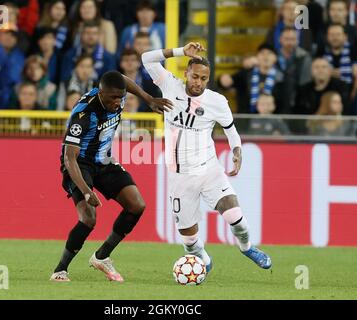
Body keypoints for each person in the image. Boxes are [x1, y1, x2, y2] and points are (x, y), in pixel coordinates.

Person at [142, 42, 272, 272]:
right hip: (180, 176)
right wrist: (181, 51)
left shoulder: (217, 102)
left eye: (203, 79)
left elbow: (231, 130)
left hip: (209, 170)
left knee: (235, 216)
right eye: (194, 77)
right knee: (189, 240)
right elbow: (146, 58)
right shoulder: (169, 85)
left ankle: (247, 247)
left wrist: (237, 151)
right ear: (186, 74)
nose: (198, 82)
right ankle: (203, 258)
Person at [50, 71, 173, 282]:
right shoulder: (84, 115)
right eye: (112, 98)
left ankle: (102, 256)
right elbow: (70, 158)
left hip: (104, 160)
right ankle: (60, 270)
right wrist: (87, 192)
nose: (118, 102)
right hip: (79, 165)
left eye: (120, 97)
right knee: (88, 218)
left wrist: (148, 98)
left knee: (137, 205)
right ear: (100, 92)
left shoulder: (118, 91)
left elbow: (123, 80)